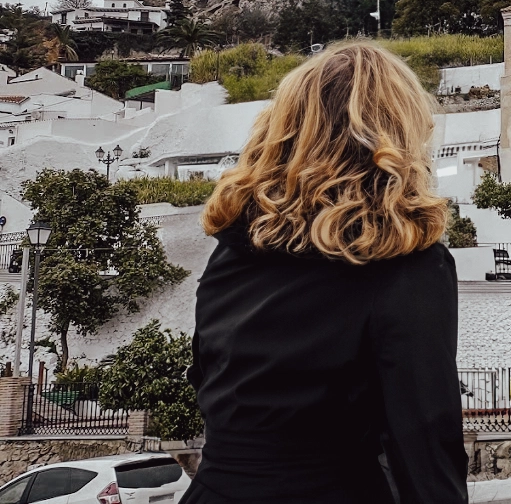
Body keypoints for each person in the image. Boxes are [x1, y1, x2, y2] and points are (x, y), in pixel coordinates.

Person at [184, 42, 467, 504]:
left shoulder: (234, 247)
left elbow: (205, 374)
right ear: (396, 134)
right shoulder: (406, 265)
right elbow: (423, 437)